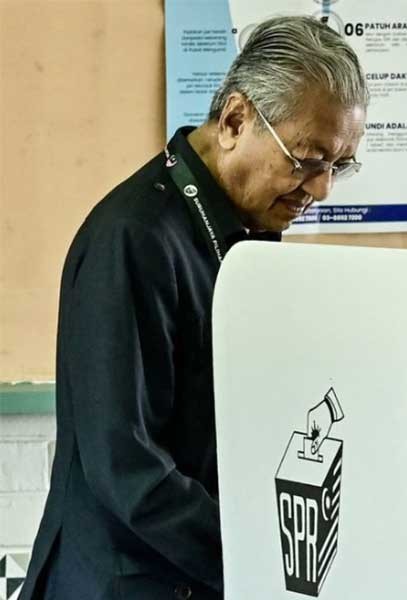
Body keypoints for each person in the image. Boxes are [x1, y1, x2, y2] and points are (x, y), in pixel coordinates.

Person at [19, 15, 368, 600]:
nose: (322, 188)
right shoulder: (133, 237)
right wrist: (265, 556)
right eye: (307, 160)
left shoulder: (245, 232)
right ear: (235, 120)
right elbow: (127, 465)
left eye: (340, 166)